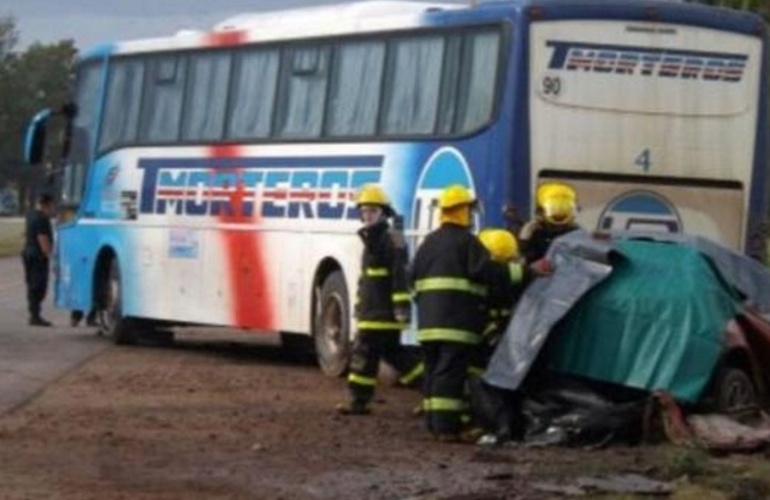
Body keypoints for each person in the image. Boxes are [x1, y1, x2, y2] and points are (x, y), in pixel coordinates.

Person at [410, 184, 496, 442]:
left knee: (433, 372)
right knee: (449, 376)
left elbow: (412, 276)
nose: (470, 214)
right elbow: (488, 274)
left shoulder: (429, 242)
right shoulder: (468, 243)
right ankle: (446, 429)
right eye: (468, 210)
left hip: (428, 325)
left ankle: (434, 424)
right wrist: (524, 272)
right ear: (461, 212)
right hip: (456, 325)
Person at [337, 185, 423, 416]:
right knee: (396, 356)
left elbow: (399, 275)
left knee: (363, 356)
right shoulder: (371, 240)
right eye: (364, 211)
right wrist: (358, 305)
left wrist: (401, 308)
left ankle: (358, 402)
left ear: (383, 213)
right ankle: (431, 391)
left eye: (372, 211)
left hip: (381, 315)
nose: (367, 216)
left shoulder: (390, 239)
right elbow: (366, 280)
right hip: (372, 312)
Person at [519, 181, 580, 265]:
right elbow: (524, 264)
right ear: (540, 212)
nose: (559, 214)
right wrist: (524, 242)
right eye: (554, 209)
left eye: (564, 209)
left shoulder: (577, 234)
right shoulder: (533, 233)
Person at [21, 193, 55, 327]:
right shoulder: (42, 219)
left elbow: (26, 233)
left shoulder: (30, 215)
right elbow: (42, 238)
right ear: (46, 205)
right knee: (39, 285)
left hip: (28, 252)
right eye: (52, 205)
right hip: (38, 255)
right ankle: (35, 315)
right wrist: (48, 254)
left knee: (31, 284)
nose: (53, 209)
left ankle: (33, 313)